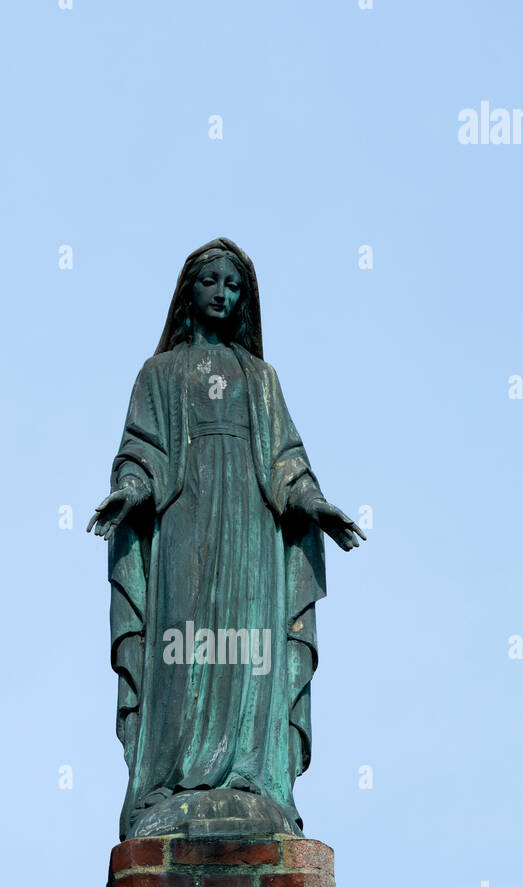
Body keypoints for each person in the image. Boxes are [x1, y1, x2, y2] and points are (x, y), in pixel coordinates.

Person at [87, 238, 364, 841]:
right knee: (180, 647)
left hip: (252, 531)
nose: (221, 292)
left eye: (233, 285)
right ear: (191, 292)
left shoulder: (260, 378)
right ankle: (172, 781)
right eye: (211, 281)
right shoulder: (160, 373)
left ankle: (251, 776)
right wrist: (131, 490)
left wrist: (315, 505)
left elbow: (287, 459)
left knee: (249, 650)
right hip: (184, 522)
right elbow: (143, 448)